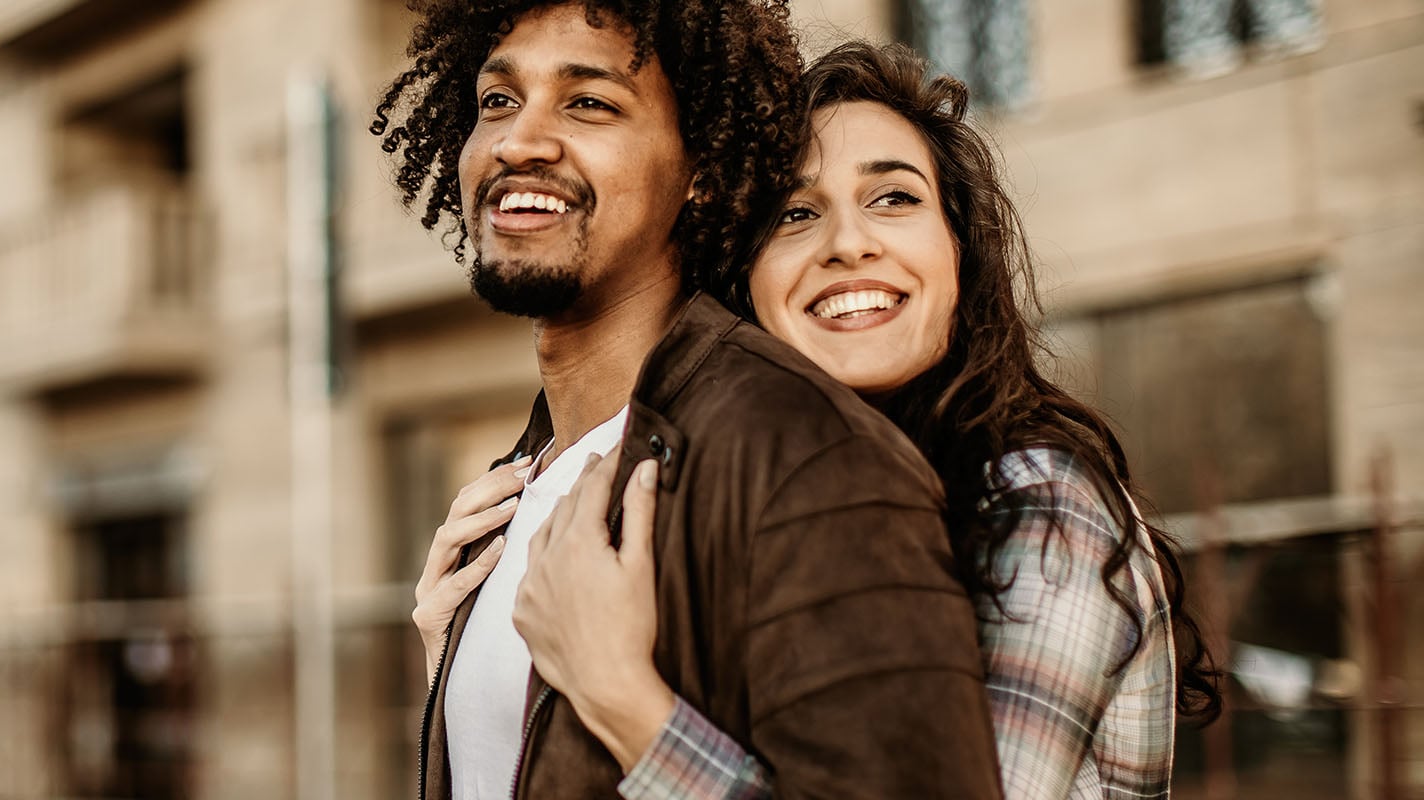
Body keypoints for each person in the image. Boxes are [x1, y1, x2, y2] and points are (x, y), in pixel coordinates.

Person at [475, 41, 1222, 799]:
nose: (848, 244)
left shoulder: (1036, 501)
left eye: (894, 199)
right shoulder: (776, 501)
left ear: (958, 250)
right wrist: (472, 641)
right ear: (745, 278)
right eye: (796, 213)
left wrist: (624, 700)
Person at [375, 3, 1004, 799]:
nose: (517, 141)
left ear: (700, 167)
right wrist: (452, 666)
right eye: (497, 100)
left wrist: (628, 705)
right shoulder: (523, 481)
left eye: (589, 103)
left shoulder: (806, 456)